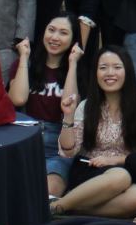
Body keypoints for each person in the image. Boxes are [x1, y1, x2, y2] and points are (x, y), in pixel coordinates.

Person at [52, 46, 136, 219]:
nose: (110, 73)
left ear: (127, 71)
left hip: (127, 170)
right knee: (120, 176)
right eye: (103, 68)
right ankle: (56, 207)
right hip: (89, 168)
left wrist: (114, 160)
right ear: (96, 73)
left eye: (117, 67)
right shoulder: (86, 106)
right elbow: (68, 151)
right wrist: (68, 116)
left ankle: (69, 207)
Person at [9, 13, 84, 198]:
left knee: (49, 191)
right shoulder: (25, 63)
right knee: (14, 188)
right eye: (51, 30)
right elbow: (18, 99)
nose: (55, 37)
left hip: (57, 145)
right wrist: (24, 58)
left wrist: (73, 64)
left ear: (73, 40)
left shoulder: (79, 71)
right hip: (24, 137)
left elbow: (69, 105)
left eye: (63, 33)